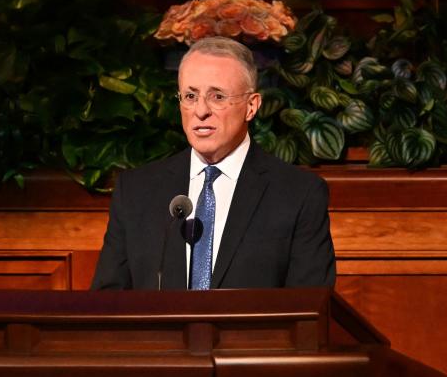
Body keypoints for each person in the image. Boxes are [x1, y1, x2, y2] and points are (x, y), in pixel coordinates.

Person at [91, 36, 336, 290]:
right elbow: (108, 302)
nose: (201, 111)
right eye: (190, 96)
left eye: (217, 96)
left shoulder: (298, 194)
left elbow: (310, 310)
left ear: (251, 106)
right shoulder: (136, 192)